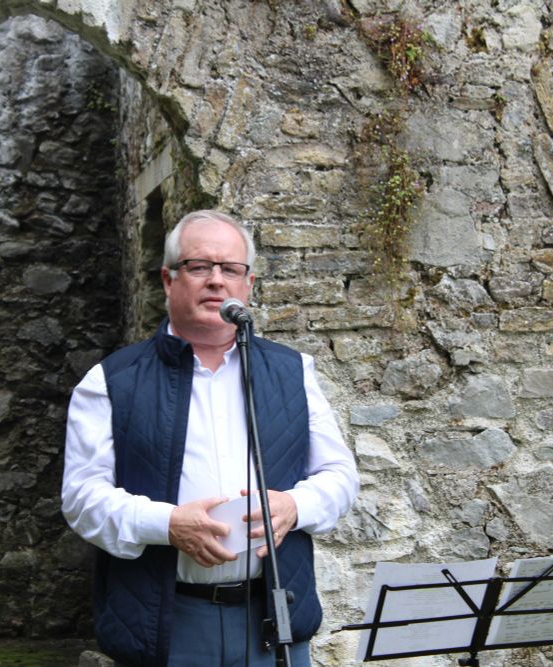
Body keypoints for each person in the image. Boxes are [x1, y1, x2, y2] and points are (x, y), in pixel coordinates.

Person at [61, 210, 359, 666]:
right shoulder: (110, 381)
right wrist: (166, 524)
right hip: (167, 623)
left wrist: (295, 506)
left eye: (230, 269)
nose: (216, 281)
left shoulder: (293, 371)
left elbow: (339, 475)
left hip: (273, 621)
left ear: (249, 284)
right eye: (199, 266)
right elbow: (82, 498)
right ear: (168, 279)